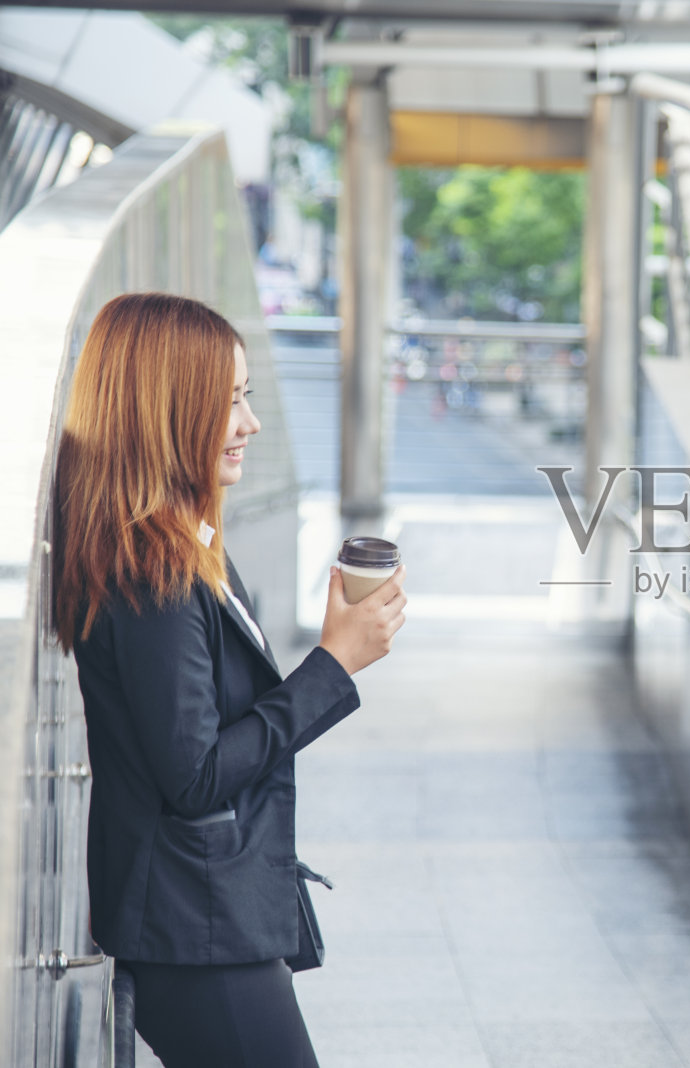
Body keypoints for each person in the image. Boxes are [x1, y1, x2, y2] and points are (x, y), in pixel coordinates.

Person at [54, 292, 408, 1067]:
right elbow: (196, 775)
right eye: (229, 401)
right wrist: (335, 665)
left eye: (246, 397)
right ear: (165, 409)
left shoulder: (174, 545)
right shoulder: (154, 571)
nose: (248, 424)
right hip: (194, 934)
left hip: (202, 918)